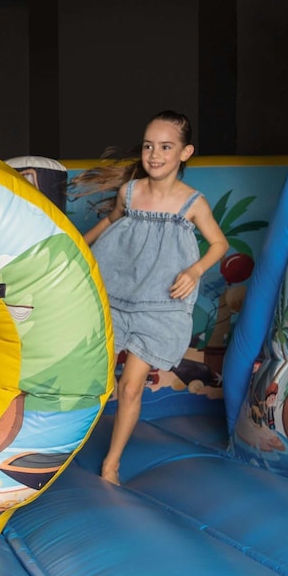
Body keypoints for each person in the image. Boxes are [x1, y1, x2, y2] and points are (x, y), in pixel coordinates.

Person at [72, 110, 228, 485]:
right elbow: (112, 220)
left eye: (166, 147)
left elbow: (219, 243)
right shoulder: (130, 192)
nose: (155, 155)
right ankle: (63, 445)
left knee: (130, 387)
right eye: (148, 146)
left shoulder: (193, 203)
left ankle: (111, 464)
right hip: (116, 294)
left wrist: (194, 271)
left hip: (159, 304)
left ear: (185, 153)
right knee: (94, 378)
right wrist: (76, 247)